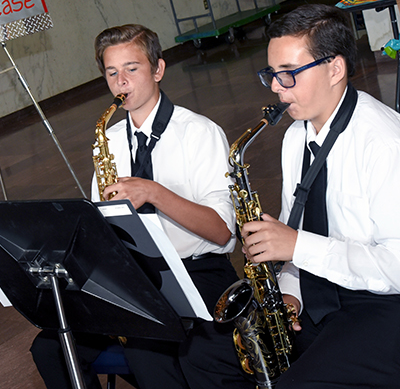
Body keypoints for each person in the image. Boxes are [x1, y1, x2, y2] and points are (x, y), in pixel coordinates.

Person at [30, 23, 253, 389]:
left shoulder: (199, 133)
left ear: (158, 70)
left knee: (145, 345)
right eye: (112, 73)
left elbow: (223, 232)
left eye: (132, 69)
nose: (121, 82)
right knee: (51, 347)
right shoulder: (110, 140)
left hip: (197, 271)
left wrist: (154, 192)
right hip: (136, 278)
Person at [241, 3, 400, 388]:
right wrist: (290, 291)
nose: (277, 87)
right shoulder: (296, 136)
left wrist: (296, 247)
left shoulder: (383, 143)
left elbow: (395, 268)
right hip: (323, 295)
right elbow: (297, 227)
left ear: (334, 69)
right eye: (272, 75)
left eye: (288, 74)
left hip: (384, 307)